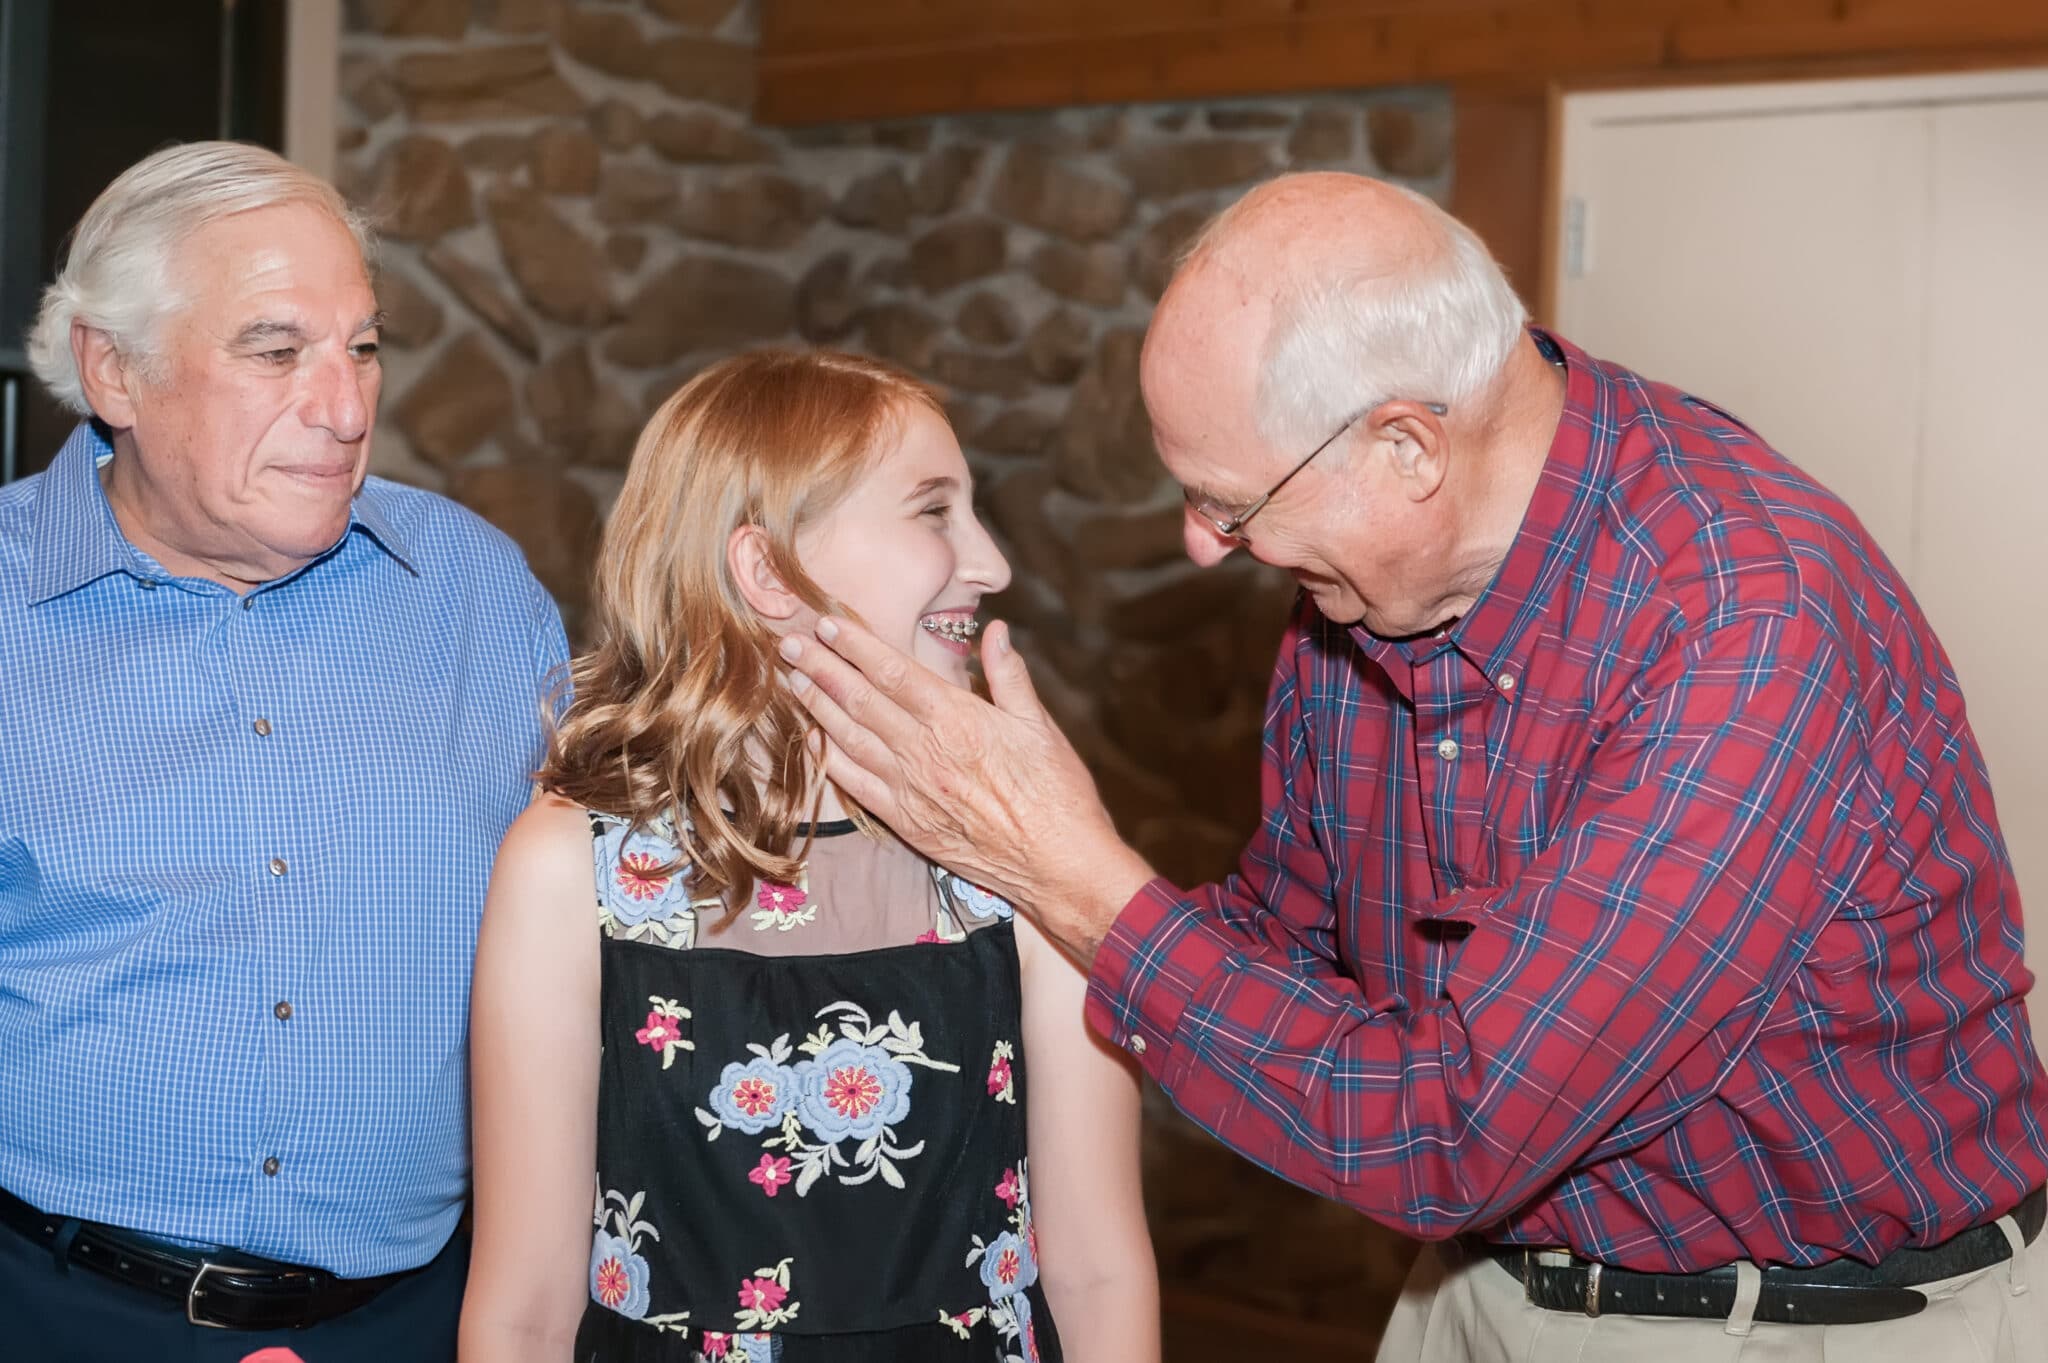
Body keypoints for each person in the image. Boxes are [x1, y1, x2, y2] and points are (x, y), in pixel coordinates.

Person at [774, 171, 2048, 1361]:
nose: (1208, 547)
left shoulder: (1743, 619)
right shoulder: (1360, 597)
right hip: (1477, 1295)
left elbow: (1452, 1129)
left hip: (1816, 1322)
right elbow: (1278, 943)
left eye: (1227, 502)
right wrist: (976, 916)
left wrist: (1078, 878)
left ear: (1406, 450)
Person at [457, 349, 1157, 1363]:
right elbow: (522, 1308)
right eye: (933, 511)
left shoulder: (1024, 849)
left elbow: (1098, 1270)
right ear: (766, 570)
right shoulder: (572, 870)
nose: (991, 562)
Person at [0, 142, 567, 1359]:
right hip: (57, 1313)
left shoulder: (474, 589)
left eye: (361, 346)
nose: (347, 407)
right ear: (116, 371)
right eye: (276, 350)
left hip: (419, 1320)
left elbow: (595, 945)